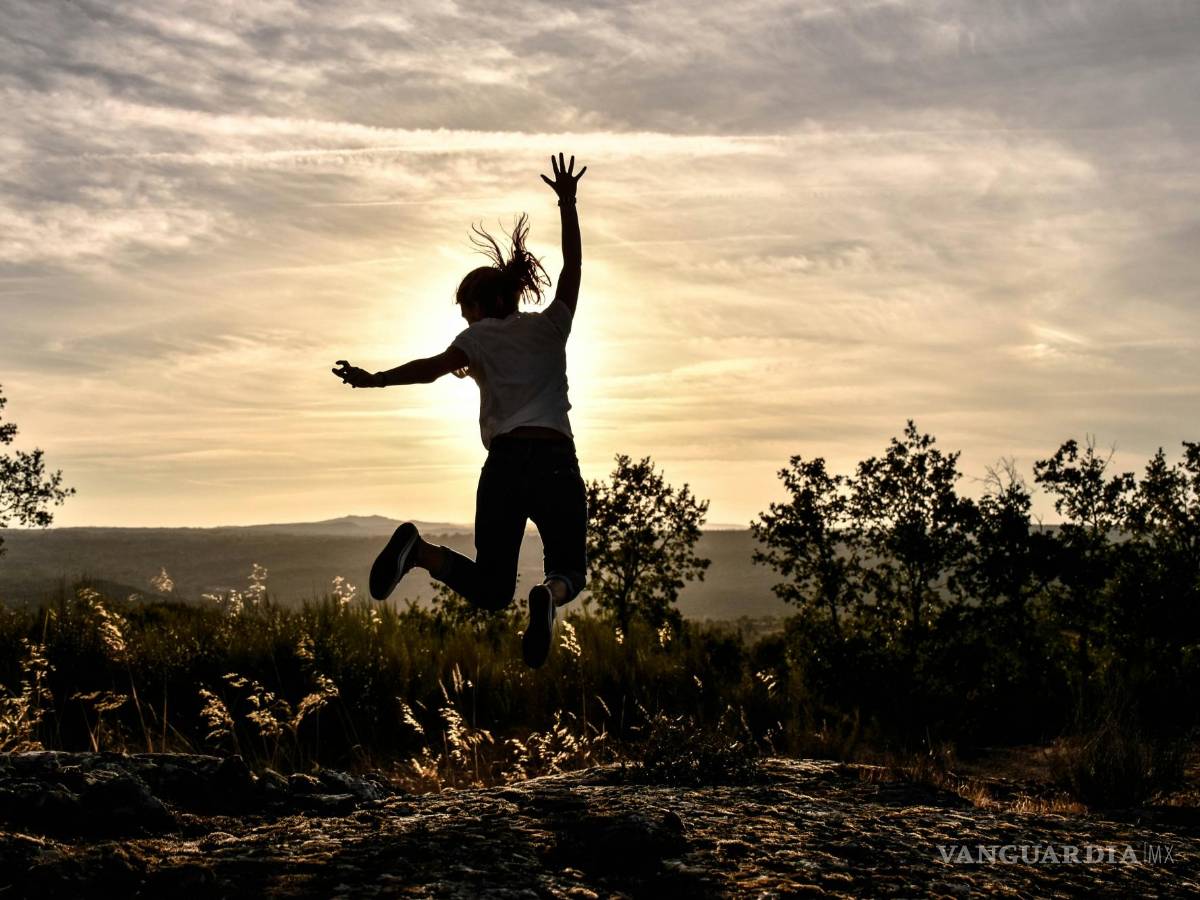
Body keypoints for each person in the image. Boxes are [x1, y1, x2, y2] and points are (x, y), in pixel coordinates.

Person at [331, 152, 588, 669]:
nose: (463, 316)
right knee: (569, 570)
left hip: (506, 465)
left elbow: (430, 368)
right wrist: (567, 203)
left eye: (466, 306)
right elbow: (573, 268)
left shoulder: (479, 337)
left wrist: (374, 378)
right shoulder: (550, 326)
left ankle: (420, 551)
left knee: (493, 589)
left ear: (484, 303)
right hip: (556, 459)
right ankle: (548, 598)